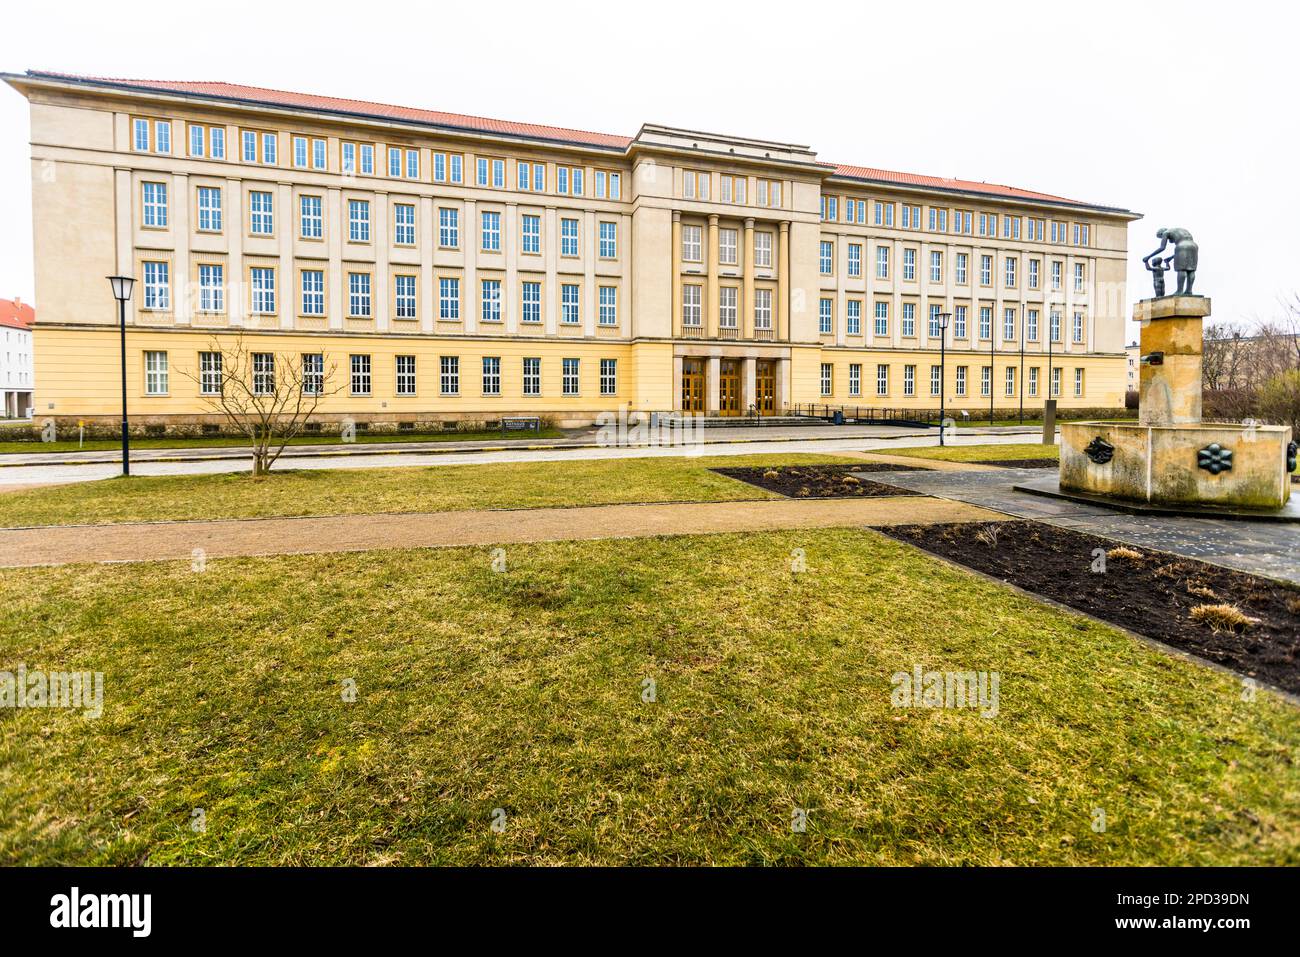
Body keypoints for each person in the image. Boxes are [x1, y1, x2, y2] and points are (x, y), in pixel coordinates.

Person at [1143, 227, 1198, 296]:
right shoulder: (1179, 230)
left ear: (1161, 233)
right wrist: (1171, 258)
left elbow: (1162, 248)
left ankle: (1179, 291)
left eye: (1161, 237)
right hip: (1194, 246)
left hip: (1181, 246)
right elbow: (1183, 252)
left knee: (1182, 269)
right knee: (1191, 270)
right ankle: (1189, 290)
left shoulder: (1166, 233)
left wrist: (1148, 257)